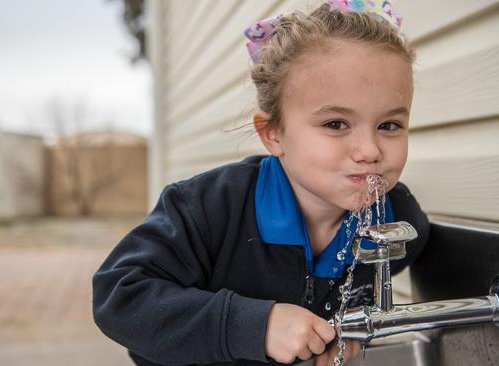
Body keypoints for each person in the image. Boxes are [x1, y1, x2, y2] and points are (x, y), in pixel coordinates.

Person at [92, 1, 429, 365]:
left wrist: (347, 336)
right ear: (273, 135)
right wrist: (255, 325)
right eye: (336, 124)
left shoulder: (397, 223)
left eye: (389, 126)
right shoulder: (210, 207)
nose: (369, 150)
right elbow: (119, 296)